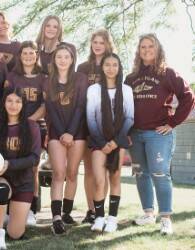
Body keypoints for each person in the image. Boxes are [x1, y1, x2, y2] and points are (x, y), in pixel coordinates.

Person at [125, 33, 194, 235]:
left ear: (158, 49)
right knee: (140, 174)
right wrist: (126, 131)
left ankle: (165, 218)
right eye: (143, 47)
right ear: (139, 51)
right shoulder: (131, 78)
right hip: (135, 134)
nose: (146, 50)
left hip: (158, 134)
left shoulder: (168, 73)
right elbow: (125, 107)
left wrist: (172, 123)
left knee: (160, 174)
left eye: (150, 47)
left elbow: (188, 98)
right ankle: (148, 214)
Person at [0, 87, 41, 248]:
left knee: (15, 234)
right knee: (1, 189)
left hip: (24, 181)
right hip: (2, 179)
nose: (13, 105)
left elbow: (34, 158)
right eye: (9, 100)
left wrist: (9, 164)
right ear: (3, 103)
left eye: (18, 101)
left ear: (23, 104)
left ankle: (11, 216)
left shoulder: (32, 127)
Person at [87, 53, 134, 233]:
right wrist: (102, 142)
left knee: (115, 178)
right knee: (99, 181)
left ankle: (112, 219)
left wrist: (115, 142)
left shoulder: (127, 90)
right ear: (102, 67)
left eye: (115, 65)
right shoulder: (94, 89)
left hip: (119, 141)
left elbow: (130, 118)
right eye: (107, 64)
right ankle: (99, 218)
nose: (111, 68)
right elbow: (90, 118)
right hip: (98, 141)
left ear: (119, 68)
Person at [45, 44, 88, 235]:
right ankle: (56, 218)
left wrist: (70, 132)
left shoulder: (80, 79)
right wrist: (63, 133)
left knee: (71, 172)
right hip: (57, 132)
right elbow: (51, 110)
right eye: (59, 57)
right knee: (58, 173)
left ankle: (67, 213)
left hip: (77, 132)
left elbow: (80, 107)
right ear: (54, 60)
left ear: (72, 59)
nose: (62, 60)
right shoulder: (49, 80)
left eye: (66, 57)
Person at [77, 28, 116, 224]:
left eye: (102, 42)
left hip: (106, 126)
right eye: (95, 42)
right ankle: (91, 210)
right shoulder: (83, 68)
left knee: (103, 170)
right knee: (90, 170)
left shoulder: (112, 65)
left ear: (108, 44)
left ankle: (102, 210)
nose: (98, 45)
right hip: (86, 124)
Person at [6, 41, 47, 225]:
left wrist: (29, 121)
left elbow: (46, 105)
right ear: (20, 55)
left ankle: (31, 209)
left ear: (37, 55)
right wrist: (17, 121)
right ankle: (5, 208)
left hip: (34, 126)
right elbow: (6, 100)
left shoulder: (43, 78)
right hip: (12, 125)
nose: (28, 56)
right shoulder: (13, 76)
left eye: (32, 53)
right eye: (25, 53)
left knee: (33, 168)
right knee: (10, 164)